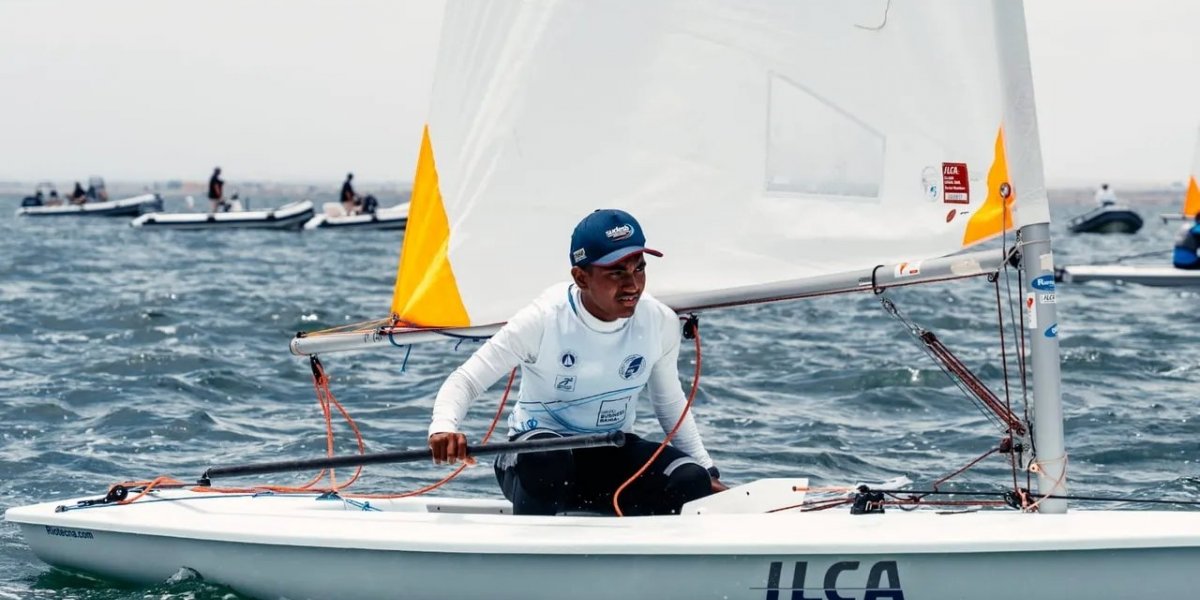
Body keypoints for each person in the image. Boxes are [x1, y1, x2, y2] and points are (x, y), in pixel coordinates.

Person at [428, 209, 725, 516]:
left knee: (690, 480)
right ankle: (533, 553)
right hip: (534, 461)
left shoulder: (659, 321)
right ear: (581, 277)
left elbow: (669, 403)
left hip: (610, 454)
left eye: (639, 269)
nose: (633, 285)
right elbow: (467, 380)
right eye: (616, 272)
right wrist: (443, 427)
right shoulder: (543, 319)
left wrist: (707, 471)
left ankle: (633, 555)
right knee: (547, 460)